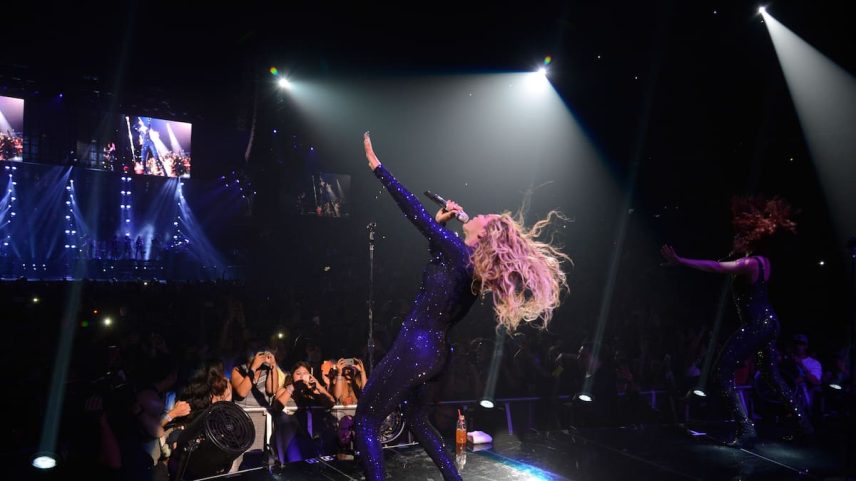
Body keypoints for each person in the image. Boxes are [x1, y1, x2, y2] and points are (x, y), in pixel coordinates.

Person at [355, 132, 570, 481]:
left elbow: (413, 212)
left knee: (366, 418)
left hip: (416, 347)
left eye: (481, 218)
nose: (476, 214)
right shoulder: (466, 261)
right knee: (415, 419)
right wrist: (442, 224)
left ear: (482, 236)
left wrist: (378, 168)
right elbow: (438, 265)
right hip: (437, 353)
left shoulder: (460, 252)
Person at [660, 196, 813, 447]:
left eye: (738, 237)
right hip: (770, 322)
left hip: (758, 325)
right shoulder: (764, 262)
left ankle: (746, 428)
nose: (734, 240)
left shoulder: (751, 263)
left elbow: (716, 268)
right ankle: (804, 425)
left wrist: (681, 261)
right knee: (771, 375)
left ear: (748, 238)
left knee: (722, 371)